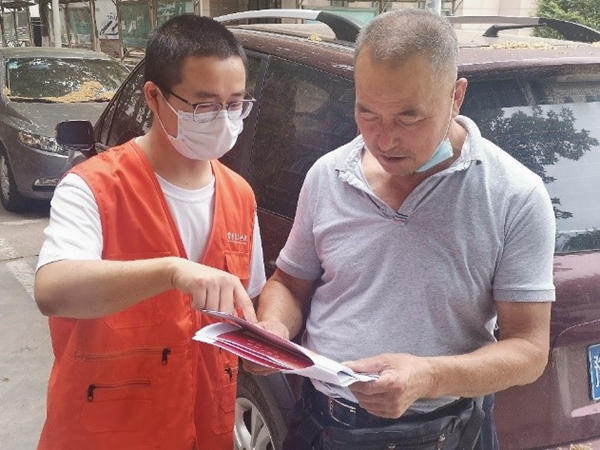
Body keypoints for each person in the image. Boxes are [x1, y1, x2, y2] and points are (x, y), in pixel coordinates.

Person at [250, 8, 555, 450]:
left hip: (444, 432)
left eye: (408, 117)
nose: (384, 139)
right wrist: (274, 327)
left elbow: (528, 349)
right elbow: (290, 283)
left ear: (456, 96)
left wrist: (428, 376)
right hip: (322, 423)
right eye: (367, 112)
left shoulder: (514, 194)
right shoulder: (328, 174)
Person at [33, 14, 265, 450]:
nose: (223, 120)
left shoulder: (240, 196)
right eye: (204, 106)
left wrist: (266, 345)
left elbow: (246, 306)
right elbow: (53, 290)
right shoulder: (94, 187)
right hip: (107, 435)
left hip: (206, 431)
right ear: (155, 98)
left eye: (234, 104)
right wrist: (171, 272)